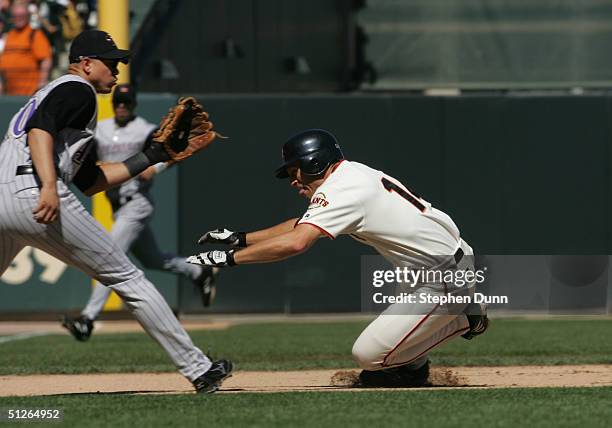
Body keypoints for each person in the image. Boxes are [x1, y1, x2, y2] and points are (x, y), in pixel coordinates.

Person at [0, 30, 232, 393]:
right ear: (86, 64)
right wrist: (47, 185)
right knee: (128, 278)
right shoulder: (78, 89)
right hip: (32, 189)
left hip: (4, 195)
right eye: (111, 63)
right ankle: (199, 369)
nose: (117, 69)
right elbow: (39, 132)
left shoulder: (55, 93)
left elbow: (91, 179)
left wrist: (151, 157)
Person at [188, 129, 488, 387]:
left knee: (369, 356)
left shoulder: (343, 189)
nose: (293, 180)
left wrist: (229, 259)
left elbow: (296, 243)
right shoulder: (349, 175)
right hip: (433, 266)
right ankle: (414, 367)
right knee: (394, 347)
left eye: (295, 170)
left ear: (314, 163)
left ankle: (465, 319)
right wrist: (239, 238)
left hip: (441, 277)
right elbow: (301, 226)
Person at [61, 83, 219, 342]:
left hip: (137, 203)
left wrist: (154, 169)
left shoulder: (145, 130)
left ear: (134, 104)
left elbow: (170, 152)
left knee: (107, 256)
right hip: (118, 205)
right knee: (154, 260)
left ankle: (88, 318)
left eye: (127, 102)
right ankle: (198, 271)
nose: (122, 106)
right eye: (118, 102)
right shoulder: (101, 129)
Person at [0, 2, 52, 95]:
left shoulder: (35, 34)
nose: (19, 18)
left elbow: (46, 59)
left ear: (27, 16)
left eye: (22, 15)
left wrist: (41, 83)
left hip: (29, 94)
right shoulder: (9, 35)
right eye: (16, 15)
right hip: (9, 92)